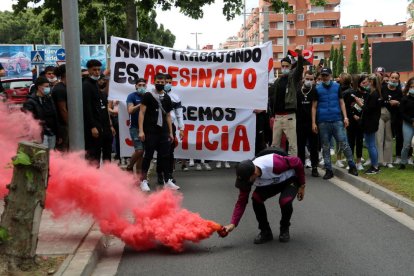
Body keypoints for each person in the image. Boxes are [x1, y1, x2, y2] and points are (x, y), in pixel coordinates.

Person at [222, 147, 306, 244]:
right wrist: (233, 223)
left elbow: (297, 162)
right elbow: (241, 202)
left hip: (289, 179)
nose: (245, 185)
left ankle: (284, 228)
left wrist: (302, 185)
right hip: (272, 182)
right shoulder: (246, 177)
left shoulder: (274, 163)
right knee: (256, 198)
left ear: (254, 174)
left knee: (285, 202)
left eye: (246, 181)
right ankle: (265, 231)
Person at [311, 67, 358, 180]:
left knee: (344, 143)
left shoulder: (337, 87)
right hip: (323, 121)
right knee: (326, 146)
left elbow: (342, 103)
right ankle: (328, 169)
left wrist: (345, 117)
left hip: (337, 119)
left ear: (331, 76)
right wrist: (313, 122)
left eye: (326, 75)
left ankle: (352, 165)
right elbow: (314, 106)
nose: (324, 77)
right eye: (323, 75)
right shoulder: (317, 89)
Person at [138, 73, 180, 191]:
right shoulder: (148, 95)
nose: (160, 84)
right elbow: (141, 112)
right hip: (150, 131)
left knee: (165, 156)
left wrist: (170, 133)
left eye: (162, 82)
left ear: (165, 83)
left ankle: (167, 180)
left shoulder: (166, 97)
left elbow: (168, 116)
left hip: (163, 132)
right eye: (158, 82)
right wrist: (141, 131)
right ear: (154, 81)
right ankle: (143, 181)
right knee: (148, 156)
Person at [268, 48, 304, 156]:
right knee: (275, 145)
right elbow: (270, 96)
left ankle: (292, 167)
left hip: (289, 116)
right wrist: (272, 114)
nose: (284, 68)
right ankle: (276, 166)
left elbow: (299, 69)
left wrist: (300, 57)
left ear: (290, 67)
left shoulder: (293, 79)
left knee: (292, 145)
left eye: (286, 66)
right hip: (277, 117)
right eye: (282, 66)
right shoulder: (277, 81)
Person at [83, 59, 114, 166]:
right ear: (89, 70)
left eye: (99, 70)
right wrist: (92, 126)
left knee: (107, 152)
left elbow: (103, 105)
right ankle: (93, 178)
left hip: (104, 125)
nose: (97, 72)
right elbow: (87, 108)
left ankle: (107, 175)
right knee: (94, 155)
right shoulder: (86, 85)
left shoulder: (96, 84)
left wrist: (110, 125)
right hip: (94, 126)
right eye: (94, 70)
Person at [156, 73, 185, 184]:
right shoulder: (154, 95)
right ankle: (159, 173)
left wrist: (181, 129)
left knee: (170, 151)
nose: (167, 84)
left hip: (170, 126)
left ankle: (169, 174)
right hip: (157, 126)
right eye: (165, 82)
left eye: (169, 82)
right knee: (160, 151)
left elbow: (179, 114)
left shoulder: (175, 97)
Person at [22, 76, 59, 149]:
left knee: (51, 155)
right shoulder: (30, 102)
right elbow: (28, 120)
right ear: (39, 87)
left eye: (49, 86)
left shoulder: (49, 98)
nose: (48, 88)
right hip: (41, 135)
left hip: (52, 133)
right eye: (46, 86)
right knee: (43, 156)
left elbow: (55, 115)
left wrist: (58, 133)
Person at [296, 70, 319, 177]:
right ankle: (301, 167)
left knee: (314, 146)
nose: (309, 81)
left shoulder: (315, 90)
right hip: (300, 123)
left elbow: (314, 106)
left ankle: (314, 167)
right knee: (300, 146)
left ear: (314, 80)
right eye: (307, 78)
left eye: (311, 79)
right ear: (303, 78)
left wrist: (314, 123)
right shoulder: (298, 90)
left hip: (312, 122)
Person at [343, 74, 369, 171]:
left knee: (359, 142)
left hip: (361, 121)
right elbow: (347, 107)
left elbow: (367, 108)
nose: (365, 85)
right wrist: (353, 115)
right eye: (363, 83)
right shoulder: (352, 93)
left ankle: (358, 162)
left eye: (366, 83)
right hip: (351, 121)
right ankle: (350, 161)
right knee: (350, 142)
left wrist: (361, 116)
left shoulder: (367, 94)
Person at [377, 72, 402, 168]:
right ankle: (380, 160)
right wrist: (388, 102)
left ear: (398, 80)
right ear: (389, 78)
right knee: (379, 138)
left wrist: (398, 103)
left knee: (389, 138)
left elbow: (401, 104)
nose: (394, 80)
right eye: (392, 77)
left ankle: (388, 161)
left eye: (396, 78)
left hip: (392, 116)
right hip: (381, 114)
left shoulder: (399, 91)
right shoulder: (382, 88)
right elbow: (378, 101)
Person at [126, 78, 146, 175]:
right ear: (136, 86)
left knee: (142, 154)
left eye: (143, 85)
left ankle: (138, 177)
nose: (142, 87)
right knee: (139, 150)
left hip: (146, 128)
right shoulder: (131, 96)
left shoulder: (148, 96)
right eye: (140, 85)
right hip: (134, 127)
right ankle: (129, 167)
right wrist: (140, 104)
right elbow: (130, 110)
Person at [52, 64, 69, 151]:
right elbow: (62, 109)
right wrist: (69, 125)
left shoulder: (65, 87)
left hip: (64, 125)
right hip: (62, 125)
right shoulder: (60, 89)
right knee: (63, 150)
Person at [399, 77, 414, 170]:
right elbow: (401, 113)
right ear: (408, 87)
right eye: (411, 86)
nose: (413, 88)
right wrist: (411, 121)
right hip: (407, 123)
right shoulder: (404, 99)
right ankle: (403, 162)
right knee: (406, 144)